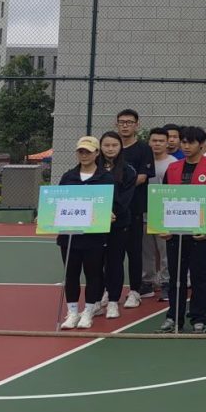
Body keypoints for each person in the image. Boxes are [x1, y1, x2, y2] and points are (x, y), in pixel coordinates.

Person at [157, 127, 206, 334]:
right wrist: (163, 227)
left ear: (202, 144)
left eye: (191, 142)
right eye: (184, 142)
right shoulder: (173, 168)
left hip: (200, 233)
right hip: (175, 232)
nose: (186, 146)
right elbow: (163, 198)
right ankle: (174, 317)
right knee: (176, 278)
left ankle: (199, 317)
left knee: (200, 277)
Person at [57, 137, 116, 329]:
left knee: (93, 274)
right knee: (71, 274)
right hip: (69, 236)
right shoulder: (68, 176)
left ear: (97, 153)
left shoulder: (105, 178)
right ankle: (72, 312)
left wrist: (109, 213)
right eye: (81, 151)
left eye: (88, 152)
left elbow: (110, 203)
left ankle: (89, 311)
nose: (84, 155)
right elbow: (57, 202)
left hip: (94, 237)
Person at [98, 131, 138, 318]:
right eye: (106, 145)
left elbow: (125, 198)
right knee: (96, 263)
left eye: (114, 145)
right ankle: (96, 300)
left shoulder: (128, 170)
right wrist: (100, 213)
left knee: (115, 261)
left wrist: (111, 212)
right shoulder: (93, 167)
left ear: (120, 147)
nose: (110, 149)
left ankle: (113, 301)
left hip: (119, 223)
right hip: (96, 223)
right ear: (100, 147)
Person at [114, 109, 152, 307]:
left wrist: (120, 188)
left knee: (134, 251)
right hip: (112, 210)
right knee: (113, 253)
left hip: (134, 208)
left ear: (137, 125)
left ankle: (135, 291)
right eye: (121, 122)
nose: (125, 125)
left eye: (129, 122)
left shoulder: (144, 149)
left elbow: (142, 177)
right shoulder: (111, 147)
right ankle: (111, 291)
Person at [143, 127, 176, 301]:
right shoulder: (143, 161)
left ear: (167, 143)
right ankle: (147, 282)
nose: (157, 144)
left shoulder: (173, 163)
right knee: (146, 251)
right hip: (144, 213)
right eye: (154, 140)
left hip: (164, 214)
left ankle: (166, 282)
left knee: (165, 252)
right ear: (149, 142)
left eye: (161, 141)